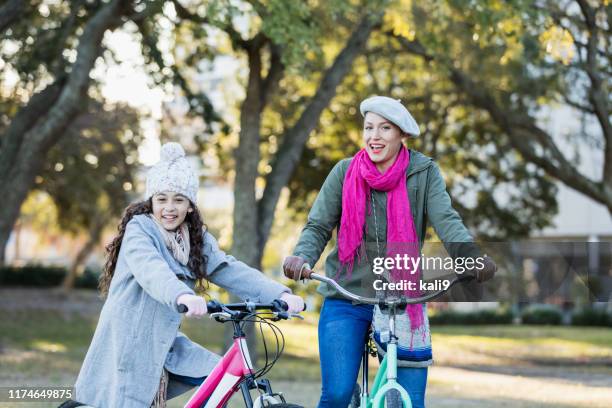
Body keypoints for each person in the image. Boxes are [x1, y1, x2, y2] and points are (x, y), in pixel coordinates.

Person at [283, 96, 496, 408]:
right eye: (369, 128)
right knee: (337, 394)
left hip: (403, 298)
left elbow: (447, 221)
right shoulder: (344, 172)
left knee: (411, 399)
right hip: (347, 295)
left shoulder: (424, 173)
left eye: (385, 128)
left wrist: (471, 257)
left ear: (402, 135)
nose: (374, 136)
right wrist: (302, 256)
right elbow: (317, 225)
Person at [73, 142, 304, 408]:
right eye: (161, 199)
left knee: (222, 375)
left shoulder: (194, 238)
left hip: (166, 341)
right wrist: (182, 294)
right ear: (151, 202)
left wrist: (279, 293)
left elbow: (226, 267)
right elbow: (151, 270)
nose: (169, 208)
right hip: (130, 342)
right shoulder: (140, 230)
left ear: (190, 206)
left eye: (178, 200)